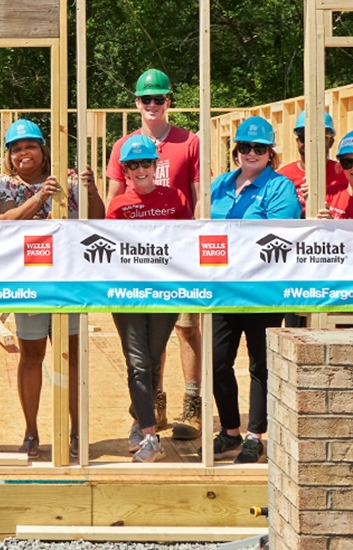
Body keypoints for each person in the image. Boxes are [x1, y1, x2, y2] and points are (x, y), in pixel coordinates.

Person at [0, 119, 103, 459]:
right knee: (31, 356)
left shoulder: (68, 180)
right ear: (9, 155)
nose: (24, 153)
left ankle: (77, 432)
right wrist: (40, 197)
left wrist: (91, 190)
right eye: (17, 149)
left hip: (68, 280)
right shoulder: (3, 185)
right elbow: (4, 222)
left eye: (30, 146)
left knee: (72, 357)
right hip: (29, 282)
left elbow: (98, 219)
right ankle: (31, 432)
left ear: (43, 150)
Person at [104, 69, 203, 441]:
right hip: (136, 267)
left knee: (186, 329)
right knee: (143, 349)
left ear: (168, 101)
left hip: (175, 260)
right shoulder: (123, 145)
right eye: (146, 99)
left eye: (158, 98)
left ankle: (191, 406)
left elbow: (198, 199)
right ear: (137, 102)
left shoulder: (188, 141)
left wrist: (193, 250)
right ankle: (150, 409)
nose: (152, 104)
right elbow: (115, 203)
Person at [205, 116, 300, 463]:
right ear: (236, 151)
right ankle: (230, 430)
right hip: (224, 287)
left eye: (259, 147)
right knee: (217, 361)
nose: (251, 152)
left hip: (263, 289)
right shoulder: (219, 185)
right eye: (245, 146)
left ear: (270, 153)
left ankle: (255, 435)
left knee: (261, 364)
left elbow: (277, 235)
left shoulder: (280, 187)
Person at [107, 134, 193, 462]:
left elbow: (186, 240)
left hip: (164, 292)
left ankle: (138, 415)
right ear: (125, 171)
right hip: (128, 293)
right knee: (138, 362)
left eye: (146, 163)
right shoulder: (119, 205)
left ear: (156, 166)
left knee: (153, 360)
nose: (140, 170)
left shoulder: (175, 198)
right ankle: (149, 435)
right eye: (133, 165)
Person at [276, 110, 348, 213]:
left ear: (331, 142)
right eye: (303, 137)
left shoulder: (345, 175)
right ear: (297, 142)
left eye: (318, 138)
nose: (310, 143)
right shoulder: (283, 178)